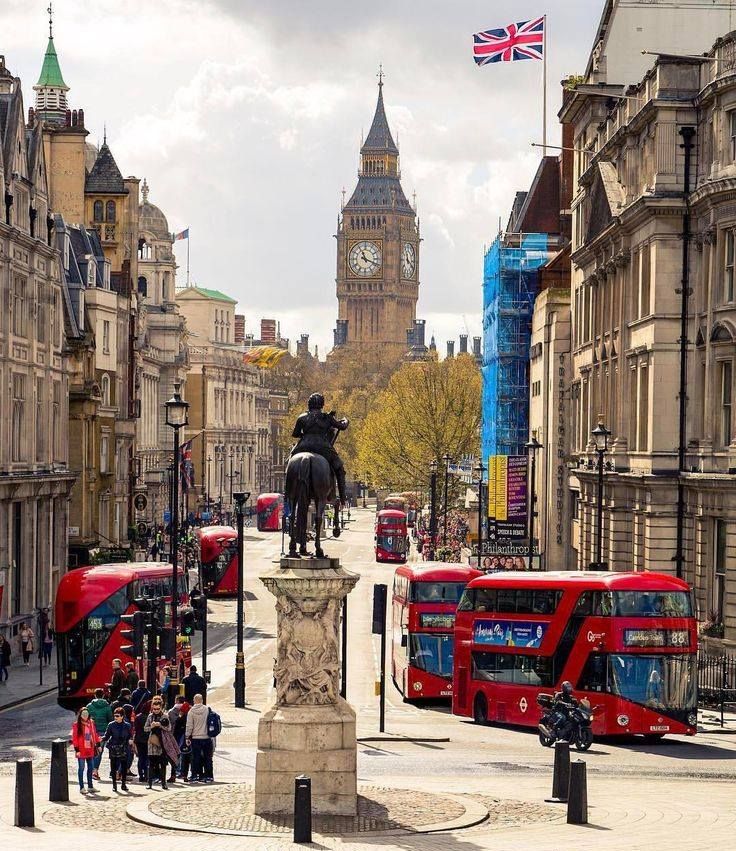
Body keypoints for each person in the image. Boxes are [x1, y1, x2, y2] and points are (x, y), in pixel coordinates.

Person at [290, 392, 349, 505]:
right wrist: (346, 420)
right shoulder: (327, 418)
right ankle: (342, 498)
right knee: (339, 468)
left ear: (309, 404)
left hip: (303, 446)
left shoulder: (302, 417)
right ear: (322, 405)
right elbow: (342, 426)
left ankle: (288, 489)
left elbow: (295, 434)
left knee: (290, 462)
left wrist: (305, 435)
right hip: (323, 448)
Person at [100, 707, 134, 792]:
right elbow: (107, 735)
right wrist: (101, 739)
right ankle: (114, 785)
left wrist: (130, 740)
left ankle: (123, 784)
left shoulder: (127, 725)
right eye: (114, 715)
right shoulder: (111, 725)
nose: (115, 717)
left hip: (124, 747)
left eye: (117, 716)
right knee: (113, 767)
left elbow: (130, 735)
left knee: (124, 766)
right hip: (114, 747)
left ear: (122, 716)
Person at [71, 706, 100, 794]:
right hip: (81, 750)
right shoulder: (76, 725)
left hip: (90, 749)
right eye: (83, 714)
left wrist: (98, 744)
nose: (85, 715)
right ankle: (82, 787)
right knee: (81, 769)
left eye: (87, 714)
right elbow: (74, 738)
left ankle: (90, 786)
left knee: (90, 768)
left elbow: (94, 734)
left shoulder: (91, 723)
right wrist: (77, 750)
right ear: (80, 715)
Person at [185, 693, 214, 783]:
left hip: (196, 738)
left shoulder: (191, 711)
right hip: (206, 737)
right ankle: (209, 776)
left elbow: (189, 726)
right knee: (207, 757)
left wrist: (187, 736)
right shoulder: (207, 709)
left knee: (195, 758)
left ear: (194, 701)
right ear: (202, 700)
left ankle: (194, 775)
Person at [86, 688, 113, 779]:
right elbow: (110, 719)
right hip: (102, 731)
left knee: (91, 751)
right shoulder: (107, 706)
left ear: (95, 695)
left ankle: (91, 770)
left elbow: (86, 718)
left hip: (90, 731)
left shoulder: (89, 706)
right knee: (99, 751)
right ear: (103, 695)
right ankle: (95, 771)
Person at [169, 695, 192, 780]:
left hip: (175, 735)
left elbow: (170, 724)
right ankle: (184, 773)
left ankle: (175, 772)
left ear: (176, 701)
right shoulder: (189, 710)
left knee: (175, 754)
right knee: (185, 754)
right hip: (186, 735)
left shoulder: (171, 711)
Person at [133, 697, 151, 782]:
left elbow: (135, 728)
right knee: (147, 758)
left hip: (139, 739)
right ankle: (147, 775)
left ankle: (141, 775)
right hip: (147, 739)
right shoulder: (149, 717)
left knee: (141, 758)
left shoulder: (138, 717)